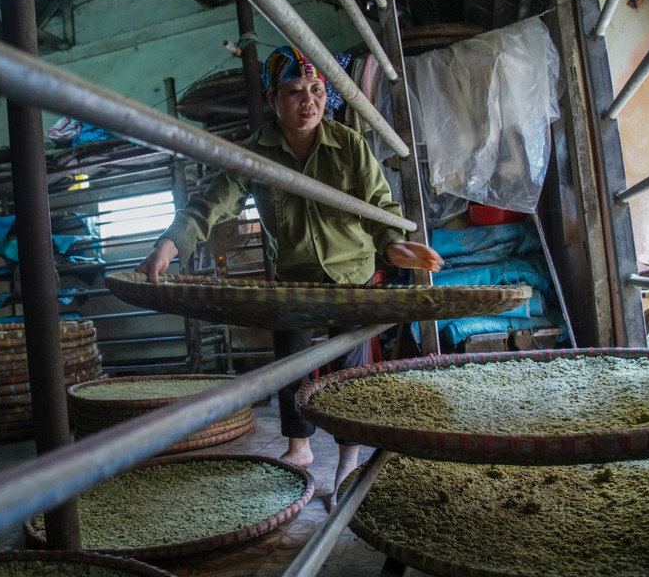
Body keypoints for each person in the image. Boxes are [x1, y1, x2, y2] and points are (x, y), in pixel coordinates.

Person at [136, 45, 442, 501]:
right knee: (291, 356)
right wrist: (170, 243)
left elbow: (380, 207)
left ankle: (348, 457)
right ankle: (299, 447)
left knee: (350, 361)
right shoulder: (255, 154)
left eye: (317, 90)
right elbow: (210, 201)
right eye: (295, 91)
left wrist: (394, 245)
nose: (309, 101)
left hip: (349, 271)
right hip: (295, 275)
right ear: (272, 99)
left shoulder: (349, 144)